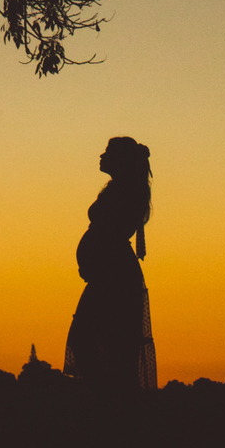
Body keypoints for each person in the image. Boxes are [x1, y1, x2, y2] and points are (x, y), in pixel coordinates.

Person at [63, 136, 157, 390]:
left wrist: (96, 260)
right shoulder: (119, 188)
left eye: (107, 153)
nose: (101, 157)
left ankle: (106, 396)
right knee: (95, 337)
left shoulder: (126, 191)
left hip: (113, 274)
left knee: (99, 339)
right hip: (108, 272)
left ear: (121, 161)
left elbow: (110, 232)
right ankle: (106, 395)